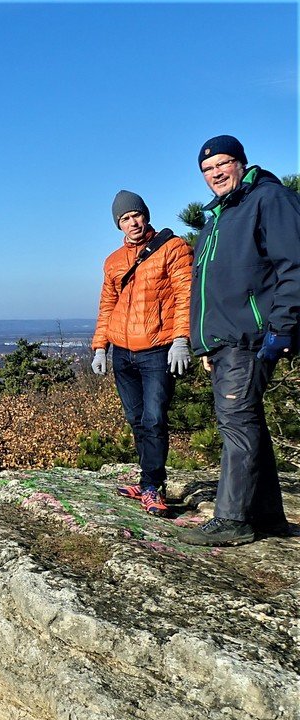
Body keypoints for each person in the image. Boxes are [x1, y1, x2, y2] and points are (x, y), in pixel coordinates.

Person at [178, 135, 300, 546]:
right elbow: (208, 285)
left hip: (252, 335)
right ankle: (266, 516)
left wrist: (282, 327)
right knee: (247, 422)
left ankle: (232, 519)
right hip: (227, 338)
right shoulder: (219, 216)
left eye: (222, 165)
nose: (215, 174)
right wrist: (206, 342)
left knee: (237, 421)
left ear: (241, 163)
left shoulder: (269, 200)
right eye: (207, 170)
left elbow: (294, 265)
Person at [91, 190, 193, 515]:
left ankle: (153, 487)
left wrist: (181, 339)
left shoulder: (172, 248)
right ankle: (146, 478)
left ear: (145, 215)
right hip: (122, 352)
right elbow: (108, 305)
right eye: (125, 218)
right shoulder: (113, 261)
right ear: (118, 224)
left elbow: (186, 294)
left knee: (153, 419)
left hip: (157, 350)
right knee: (136, 420)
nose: (132, 222)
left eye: (136, 215)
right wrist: (99, 347)